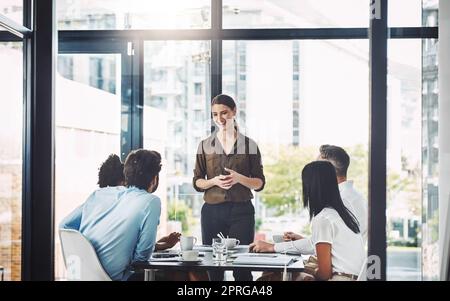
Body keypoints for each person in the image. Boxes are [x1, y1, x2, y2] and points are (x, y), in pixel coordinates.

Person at [251, 161, 365, 281]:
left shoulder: (323, 219)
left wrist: (311, 271)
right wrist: (274, 247)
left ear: (312, 187)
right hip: (353, 277)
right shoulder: (343, 212)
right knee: (280, 273)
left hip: (339, 278)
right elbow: (321, 244)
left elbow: (324, 274)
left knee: (271, 276)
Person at [193, 94, 265, 281]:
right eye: (215, 114)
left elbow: (259, 183)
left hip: (241, 211)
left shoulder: (249, 145)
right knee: (213, 267)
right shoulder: (205, 145)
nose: (220, 119)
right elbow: (198, 181)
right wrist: (214, 182)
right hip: (211, 212)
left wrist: (240, 178)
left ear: (234, 111)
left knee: (241, 267)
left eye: (224, 113)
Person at [60, 149, 162, 281]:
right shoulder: (151, 202)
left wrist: (88, 252)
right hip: (113, 278)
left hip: (79, 276)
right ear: (154, 180)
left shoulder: (99, 194)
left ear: (126, 175)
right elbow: (142, 256)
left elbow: (64, 225)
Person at [251, 144, 368, 256]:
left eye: (317, 166)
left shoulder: (344, 201)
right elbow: (335, 242)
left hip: (338, 270)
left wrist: (273, 247)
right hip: (338, 264)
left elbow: (337, 251)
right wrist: (303, 240)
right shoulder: (353, 197)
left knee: (273, 274)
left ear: (327, 170)